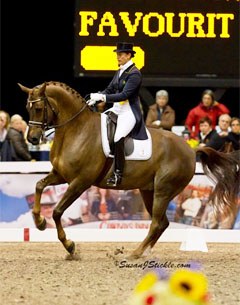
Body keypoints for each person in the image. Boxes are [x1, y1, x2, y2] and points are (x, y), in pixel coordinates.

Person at [87, 42, 148, 186]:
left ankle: (118, 173)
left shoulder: (135, 73)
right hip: (116, 109)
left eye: (120, 55)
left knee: (118, 138)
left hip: (128, 111)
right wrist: (96, 97)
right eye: (117, 55)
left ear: (128, 55)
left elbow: (124, 95)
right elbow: (109, 89)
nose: (118, 57)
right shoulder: (120, 71)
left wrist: (103, 98)